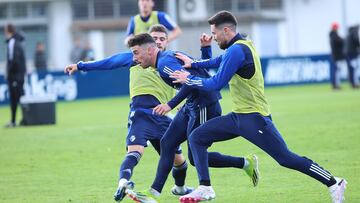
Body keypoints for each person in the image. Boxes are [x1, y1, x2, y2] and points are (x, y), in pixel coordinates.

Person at [170, 11, 347, 203]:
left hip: (254, 118)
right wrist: (193, 63)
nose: (213, 37)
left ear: (226, 30)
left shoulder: (236, 50)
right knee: (197, 137)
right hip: (239, 117)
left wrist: (189, 78)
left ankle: (334, 182)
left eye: (215, 33)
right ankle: (205, 187)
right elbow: (218, 61)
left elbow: (216, 83)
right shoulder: (240, 45)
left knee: (286, 158)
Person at [64, 25, 206, 202]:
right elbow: (109, 62)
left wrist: (178, 102)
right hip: (141, 113)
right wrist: (80, 65)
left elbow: (190, 80)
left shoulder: (171, 60)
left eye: (162, 39)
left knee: (180, 161)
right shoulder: (136, 58)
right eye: (155, 38)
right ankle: (123, 182)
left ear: (167, 41)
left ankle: (180, 188)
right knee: (134, 152)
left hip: (162, 117)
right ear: (149, 44)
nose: (159, 41)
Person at [126, 33, 259, 203]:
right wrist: (205, 49)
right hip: (191, 105)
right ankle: (153, 193)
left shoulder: (165, 64)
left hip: (204, 104)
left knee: (195, 155)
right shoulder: (165, 59)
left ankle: (213, 183)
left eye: (136, 52)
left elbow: (189, 81)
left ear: (151, 50)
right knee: (167, 143)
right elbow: (197, 69)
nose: (134, 58)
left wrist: (170, 104)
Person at [4, 24, 26, 128]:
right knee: (19, 98)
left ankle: (21, 120)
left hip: (15, 77)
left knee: (16, 99)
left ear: (9, 31)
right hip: (19, 76)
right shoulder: (16, 42)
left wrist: (9, 73)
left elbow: (14, 61)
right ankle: (21, 120)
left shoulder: (12, 43)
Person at [329, 22, 346, 89]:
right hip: (337, 56)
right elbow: (340, 41)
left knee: (337, 70)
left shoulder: (333, 35)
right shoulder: (334, 35)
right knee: (337, 70)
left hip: (336, 56)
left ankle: (336, 84)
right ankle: (336, 85)